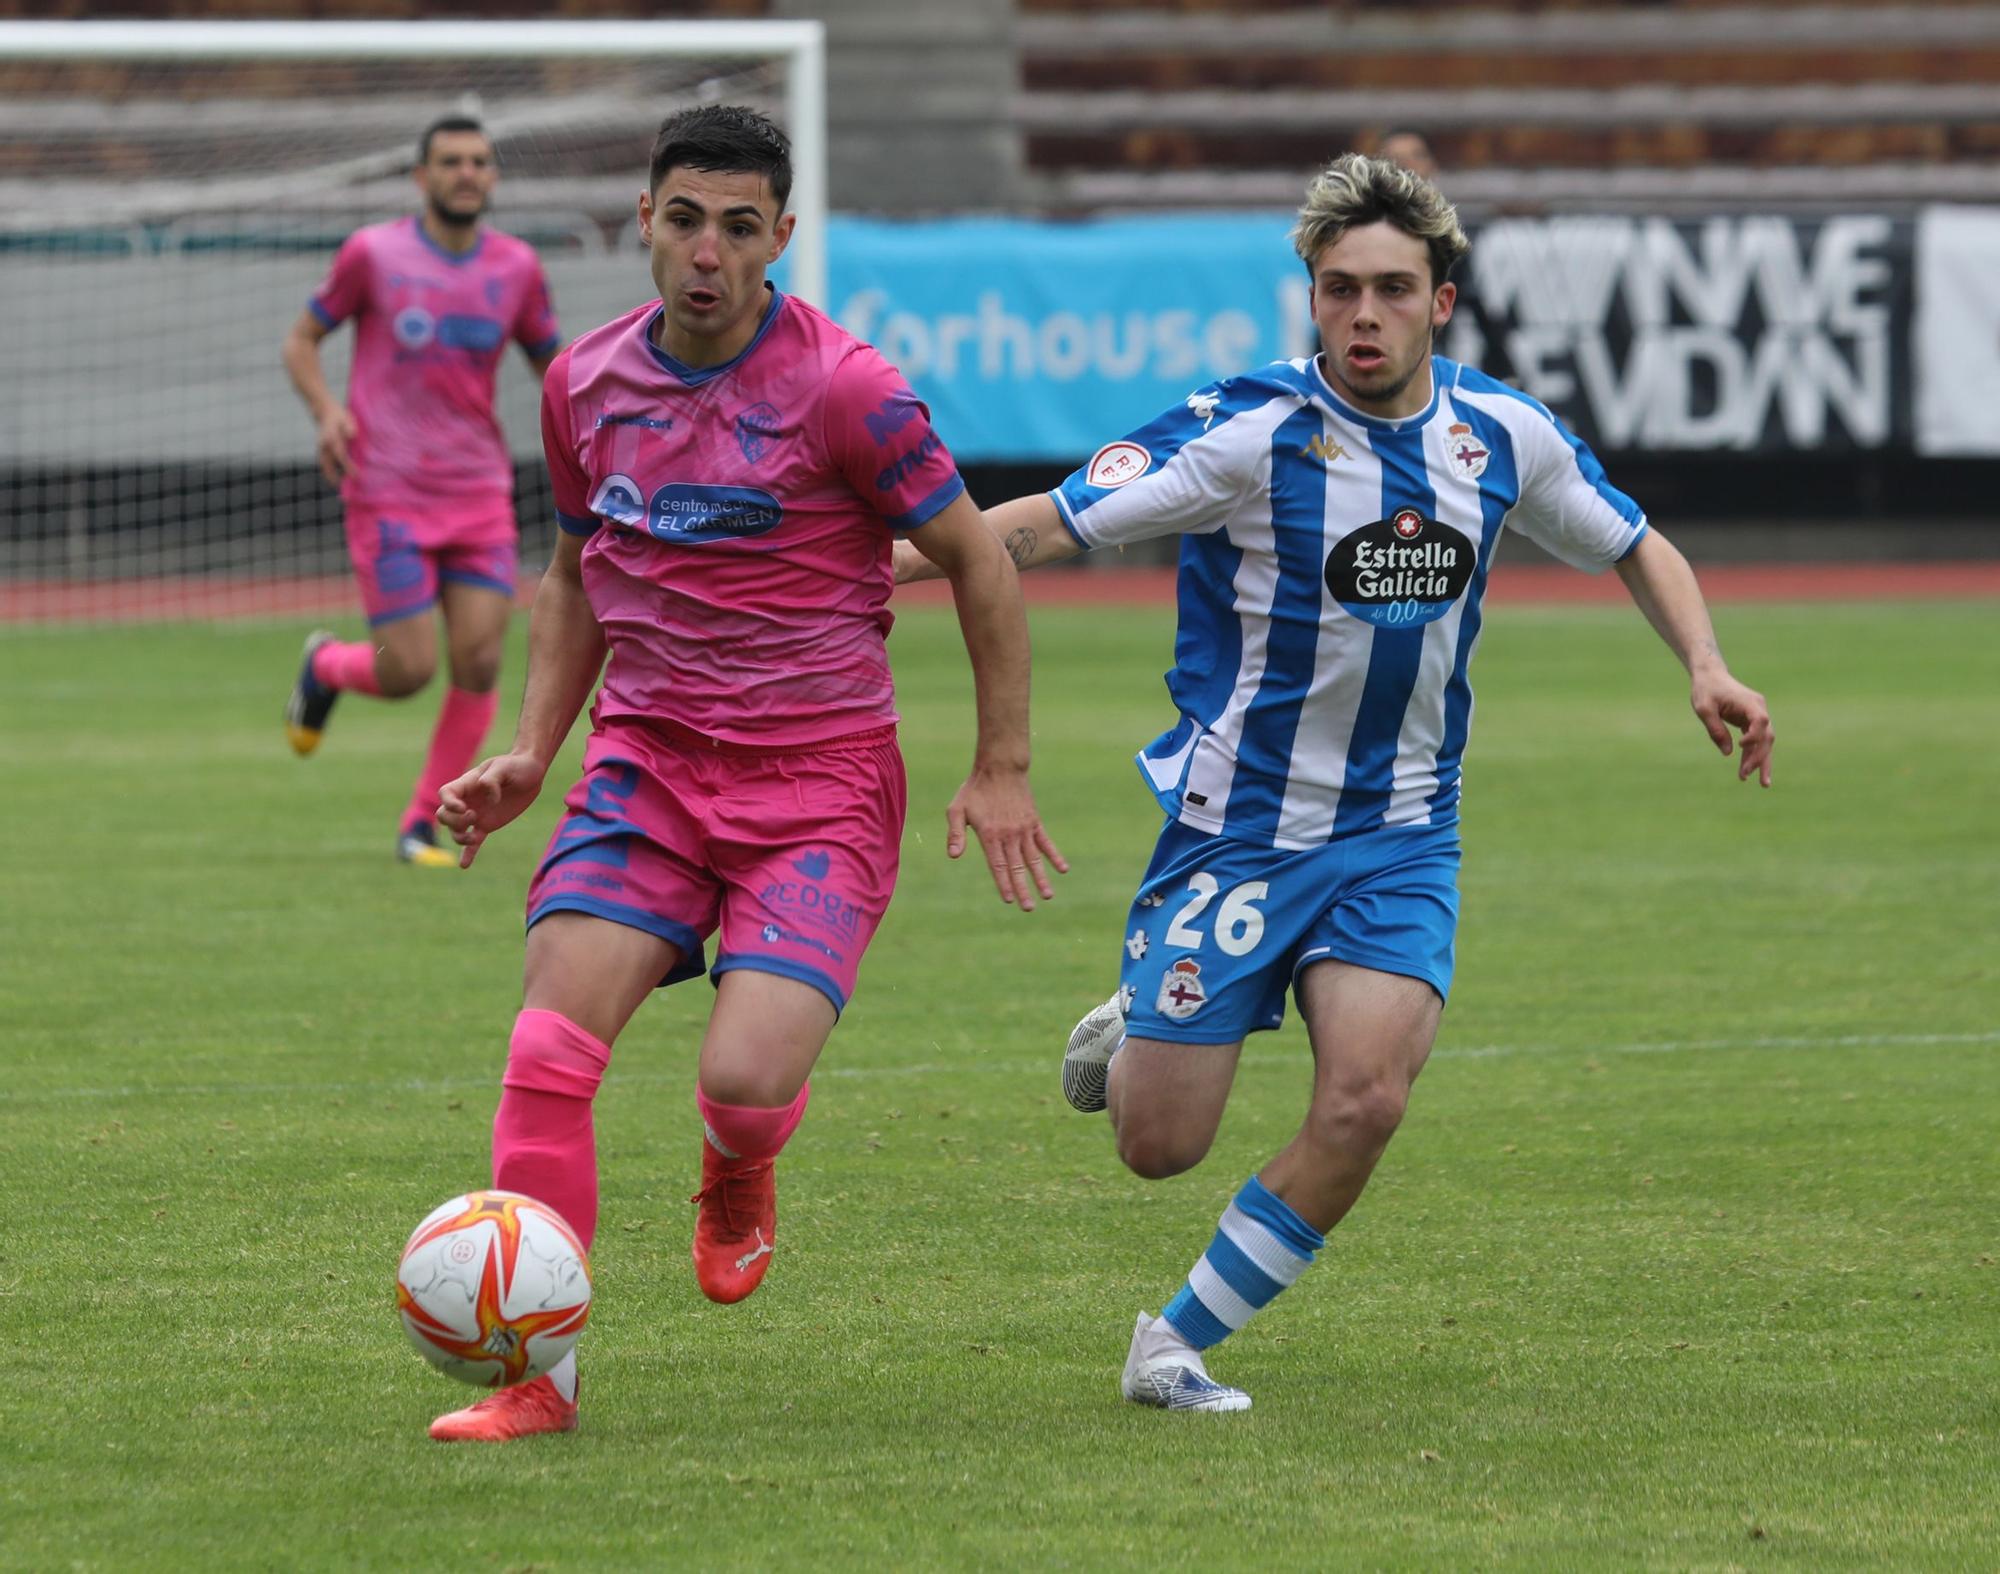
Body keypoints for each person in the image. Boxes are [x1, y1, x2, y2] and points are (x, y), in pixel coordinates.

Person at [897, 152, 1774, 1412]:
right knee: (1157, 1145)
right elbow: (1041, 522)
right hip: (1238, 830)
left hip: (1402, 834)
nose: (1363, 315)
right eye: (1338, 290)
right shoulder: (1246, 433)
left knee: (1364, 1096)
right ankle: (1142, 1012)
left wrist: (1705, 662)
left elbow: (1634, 541)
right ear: (1309, 298)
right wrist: (884, 565)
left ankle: (1172, 1342)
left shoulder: (1499, 435)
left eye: (1391, 291)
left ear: (1441, 303)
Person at [424, 105, 1065, 1443]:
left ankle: (739, 1160)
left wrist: (1001, 762)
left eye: (737, 226)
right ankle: (543, 1377)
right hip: (646, 771)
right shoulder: (584, 388)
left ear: (779, 237)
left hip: (819, 785)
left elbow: (978, 559)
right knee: (547, 1046)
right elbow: (571, 571)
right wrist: (537, 749)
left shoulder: (849, 391)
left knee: (746, 1074)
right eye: (682, 220)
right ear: (644, 225)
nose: (705, 251)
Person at [281, 113, 562, 867]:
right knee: (408, 669)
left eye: (479, 161)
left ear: (493, 176)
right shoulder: (373, 254)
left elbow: (554, 367)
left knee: (478, 662)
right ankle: (326, 667)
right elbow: (301, 340)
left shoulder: (517, 268)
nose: (467, 173)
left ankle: (422, 824)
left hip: (478, 493)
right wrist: (327, 410)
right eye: (451, 162)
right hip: (388, 490)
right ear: (422, 177)